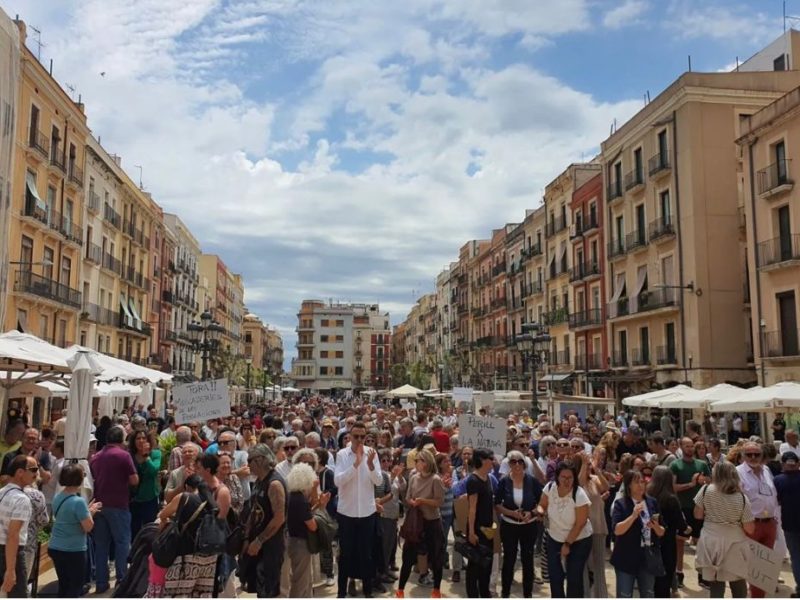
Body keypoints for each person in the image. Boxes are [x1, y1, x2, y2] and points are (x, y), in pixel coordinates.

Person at [333, 421, 382, 598]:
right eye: (356, 436)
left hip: (367, 513)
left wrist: (369, 465)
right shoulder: (342, 455)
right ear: (350, 436)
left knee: (366, 554)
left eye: (363, 437)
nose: (360, 440)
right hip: (347, 512)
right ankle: (341, 593)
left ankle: (368, 592)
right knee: (345, 555)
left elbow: (378, 481)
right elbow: (338, 481)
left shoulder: (372, 454)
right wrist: (356, 465)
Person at [694, 461, 754, 598]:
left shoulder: (705, 490)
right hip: (735, 542)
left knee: (716, 582)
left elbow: (697, 515)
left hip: (710, 540)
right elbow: (749, 528)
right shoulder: (742, 498)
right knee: (738, 581)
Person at [90, 425, 139, 594]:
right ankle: (122, 580)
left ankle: (101, 583)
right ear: (121, 440)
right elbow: (134, 480)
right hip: (119, 504)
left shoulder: (95, 457)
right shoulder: (123, 456)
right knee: (122, 543)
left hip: (99, 505)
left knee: (101, 545)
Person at [157, 474, 219, 597]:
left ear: (186, 486)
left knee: (179, 594)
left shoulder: (184, 497)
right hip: (210, 558)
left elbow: (162, 515)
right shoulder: (213, 503)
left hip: (187, 556)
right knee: (202, 594)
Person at [537, 462, 593, 598]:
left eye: (570, 477)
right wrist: (540, 512)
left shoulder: (579, 495)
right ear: (557, 477)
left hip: (579, 539)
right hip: (554, 537)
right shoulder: (550, 487)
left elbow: (580, 523)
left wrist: (567, 544)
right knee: (555, 577)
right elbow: (542, 505)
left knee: (574, 578)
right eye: (563, 477)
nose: (567, 481)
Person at [396, 449, 445, 599]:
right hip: (416, 523)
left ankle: (436, 590)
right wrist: (413, 502)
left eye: (418, 460)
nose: (416, 463)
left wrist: (423, 501)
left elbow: (439, 502)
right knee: (407, 558)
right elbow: (408, 497)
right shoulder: (413, 477)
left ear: (426, 462)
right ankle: (400, 591)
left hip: (432, 523)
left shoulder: (435, 479)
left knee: (436, 558)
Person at [494, 449, 543, 598]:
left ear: (524, 464)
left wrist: (533, 513)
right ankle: (505, 594)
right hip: (509, 526)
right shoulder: (503, 481)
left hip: (529, 526)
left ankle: (527, 594)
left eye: (520, 461)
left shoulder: (532, 481)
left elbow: (542, 503)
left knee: (528, 561)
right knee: (509, 559)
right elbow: (497, 504)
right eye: (513, 462)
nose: (517, 465)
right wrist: (511, 513)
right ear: (509, 464)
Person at [49, 464, 102, 597]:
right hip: (73, 549)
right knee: (75, 586)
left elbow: (67, 518)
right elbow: (88, 527)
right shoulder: (78, 502)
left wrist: (87, 511)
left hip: (56, 546)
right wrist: (91, 513)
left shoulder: (58, 497)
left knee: (64, 585)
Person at [611, 469, 665, 598]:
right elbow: (617, 530)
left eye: (642, 481)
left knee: (648, 593)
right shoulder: (621, 504)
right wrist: (633, 516)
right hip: (626, 557)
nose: (641, 485)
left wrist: (656, 526)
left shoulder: (652, 502)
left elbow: (662, 532)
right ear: (629, 485)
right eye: (636, 482)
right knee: (625, 595)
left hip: (647, 557)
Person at [241, 444, 286, 597]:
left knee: (268, 591)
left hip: (271, 546)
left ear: (260, 460)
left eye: (250, 460)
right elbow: (253, 511)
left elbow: (279, 518)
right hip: (256, 545)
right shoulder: (259, 481)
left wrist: (259, 541)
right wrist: (247, 538)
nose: (248, 464)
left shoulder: (274, 484)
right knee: (257, 588)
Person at [737, 441, 779, 598]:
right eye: (749, 454)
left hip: (769, 523)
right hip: (751, 524)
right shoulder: (738, 472)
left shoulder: (767, 470)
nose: (753, 457)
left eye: (757, 454)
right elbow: (736, 500)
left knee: (764, 567)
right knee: (753, 566)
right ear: (743, 456)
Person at [670, 436, 710, 588]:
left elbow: (711, 482)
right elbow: (672, 487)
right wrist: (691, 484)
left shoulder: (702, 464)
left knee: (701, 542)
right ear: (681, 447)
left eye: (691, 446)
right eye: (687, 446)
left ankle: (702, 574)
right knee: (680, 541)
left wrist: (703, 481)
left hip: (700, 508)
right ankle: (679, 572)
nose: (690, 448)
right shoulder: (675, 465)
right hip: (682, 507)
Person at [286, 461, 330, 598]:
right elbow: (312, 525)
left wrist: (317, 505)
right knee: (300, 582)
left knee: (305, 581)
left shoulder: (293, 496)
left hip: (294, 541)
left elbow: (306, 515)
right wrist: (321, 507)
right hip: (300, 544)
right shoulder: (300, 499)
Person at [647, 465, 689, 598]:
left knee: (649, 583)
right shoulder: (671, 499)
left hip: (650, 541)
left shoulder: (647, 496)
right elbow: (680, 524)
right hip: (668, 544)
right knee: (664, 583)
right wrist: (687, 529)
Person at [0, 455, 38, 597]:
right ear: (20, 472)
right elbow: (13, 535)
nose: (36, 473)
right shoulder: (22, 500)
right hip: (11, 554)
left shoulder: (1, 493)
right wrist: (10, 570)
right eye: (33, 469)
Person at [465, 448, 495, 598]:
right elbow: (472, 509)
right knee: (475, 566)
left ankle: (485, 593)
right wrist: (471, 532)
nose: (493, 461)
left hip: (488, 529)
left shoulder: (488, 478)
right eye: (491, 458)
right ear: (482, 460)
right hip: (477, 529)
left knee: (487, 565)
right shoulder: (473, 480)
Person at [129, 430, 162, 541]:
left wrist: (146, 457)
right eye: (138, 438)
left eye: (144, 438)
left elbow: (153, 471)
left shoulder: (156, 454)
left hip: (150, 498)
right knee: (134, 530)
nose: (141, 441)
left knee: (150, 529)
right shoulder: (130, 456)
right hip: (134, 499)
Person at [775, 451, 800, 598]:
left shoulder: (778, 480)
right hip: (790, 525)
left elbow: (776, 501)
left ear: (783, 464)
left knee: (796, 557)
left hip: (790, 524)